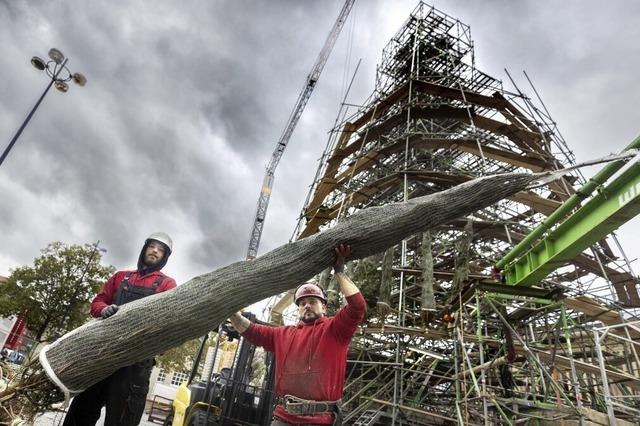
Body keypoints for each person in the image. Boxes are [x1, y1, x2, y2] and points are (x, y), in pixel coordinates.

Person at [229, 243, 367, 425]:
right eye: (302, 303)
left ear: (324, 307)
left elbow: (358, 306)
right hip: (283, 418)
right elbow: (252, 331)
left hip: (320, 421)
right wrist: (229, 311)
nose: (307, 305)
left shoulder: (336, 329)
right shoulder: (283, 334)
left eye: (312, 301)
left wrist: (339, 271)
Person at [62, 232, 177, 426]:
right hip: (101, 359)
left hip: (134, 369)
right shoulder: (120, 277)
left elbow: (169, 321)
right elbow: (97, 302)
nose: (155, 251)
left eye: (161, 249)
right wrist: (104, 309)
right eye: (152, 246)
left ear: (165, 257)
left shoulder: (167, 285)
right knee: (80, 415)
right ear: (144, 248)